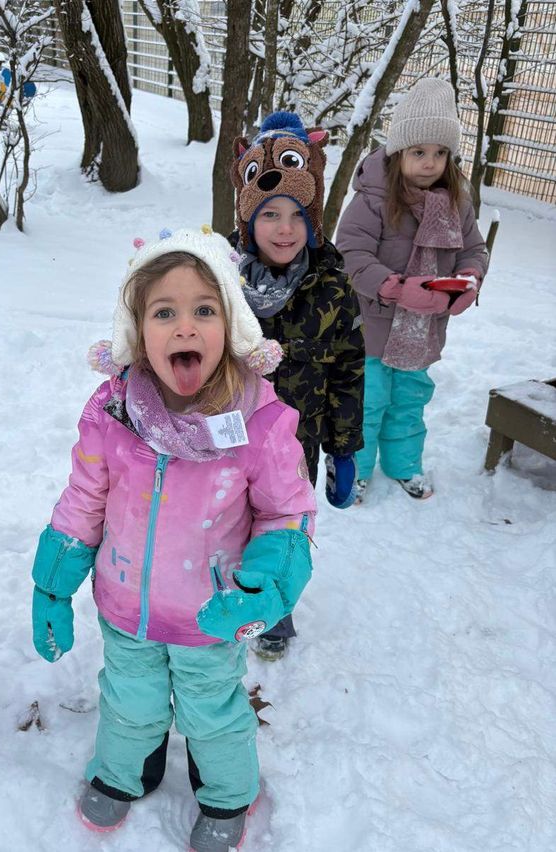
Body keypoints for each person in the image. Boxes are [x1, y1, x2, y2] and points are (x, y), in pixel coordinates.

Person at [29, 227, 316, 852]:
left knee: (211, 711)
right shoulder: (111, 414)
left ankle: (228, 792)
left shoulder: (259, 422)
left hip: (210, 615)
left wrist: (267, 582)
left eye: (204, 311)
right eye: (165, 312)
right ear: (137, 332)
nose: (185, 328)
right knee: (129, 700)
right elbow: (85, 500)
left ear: (232, 326)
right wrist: (53, 584)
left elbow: (286, 515)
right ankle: (126, 769)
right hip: (126, 606)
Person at [230, 111, 365, 660]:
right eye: (269, 214)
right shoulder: (224, 280)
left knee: (283, 529)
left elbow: (348, 371)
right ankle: (224, 594)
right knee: (228, 519)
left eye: (296, 215)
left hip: (296, 443)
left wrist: (344, 448)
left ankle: (276, 608)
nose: (284, 228)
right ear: (248, 221)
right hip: (230, 436)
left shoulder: (332, 287)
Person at [336, 78, 489, 502]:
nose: (430, 162)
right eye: (419, 152)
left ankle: (404, 464)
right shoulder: (373, 199)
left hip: (423, 328)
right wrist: (397, 288)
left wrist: (469, 280)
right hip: (373, 327)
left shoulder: (456, 202)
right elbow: (350, 255)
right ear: (399, 152)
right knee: (369, 403)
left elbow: (474, 248)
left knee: (409, 401)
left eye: (440, 153)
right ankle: (358, 468)